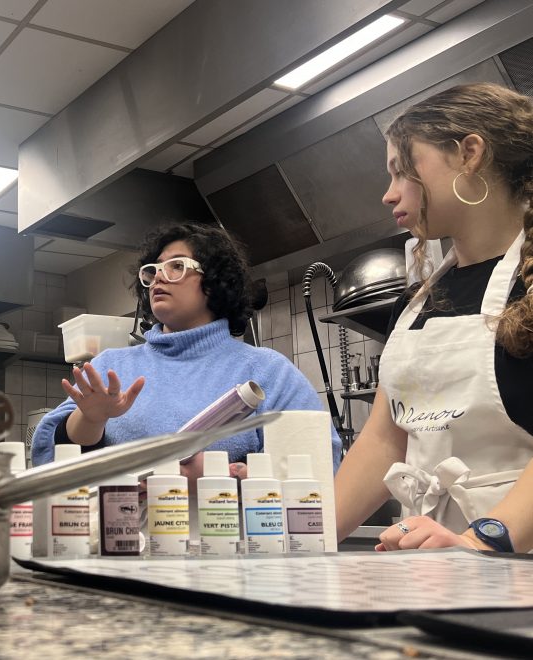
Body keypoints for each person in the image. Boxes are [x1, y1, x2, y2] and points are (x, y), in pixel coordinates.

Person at [334, 82, 533, 553]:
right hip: (437, 565)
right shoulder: (419, 302)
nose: (388, 194)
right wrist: (300, 536)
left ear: (470, 154)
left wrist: (480, 542)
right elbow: (386, 440)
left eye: (403, 171)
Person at [30, 223, 341, 478]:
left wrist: (227, 481)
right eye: (153, 271)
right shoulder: (112, 367)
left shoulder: (267, 372)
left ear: (215, 281)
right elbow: (47, 460)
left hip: (236, 549)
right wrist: (90, 420)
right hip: (120, 547)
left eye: (176, 266)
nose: (158, 278)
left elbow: (317, 467)